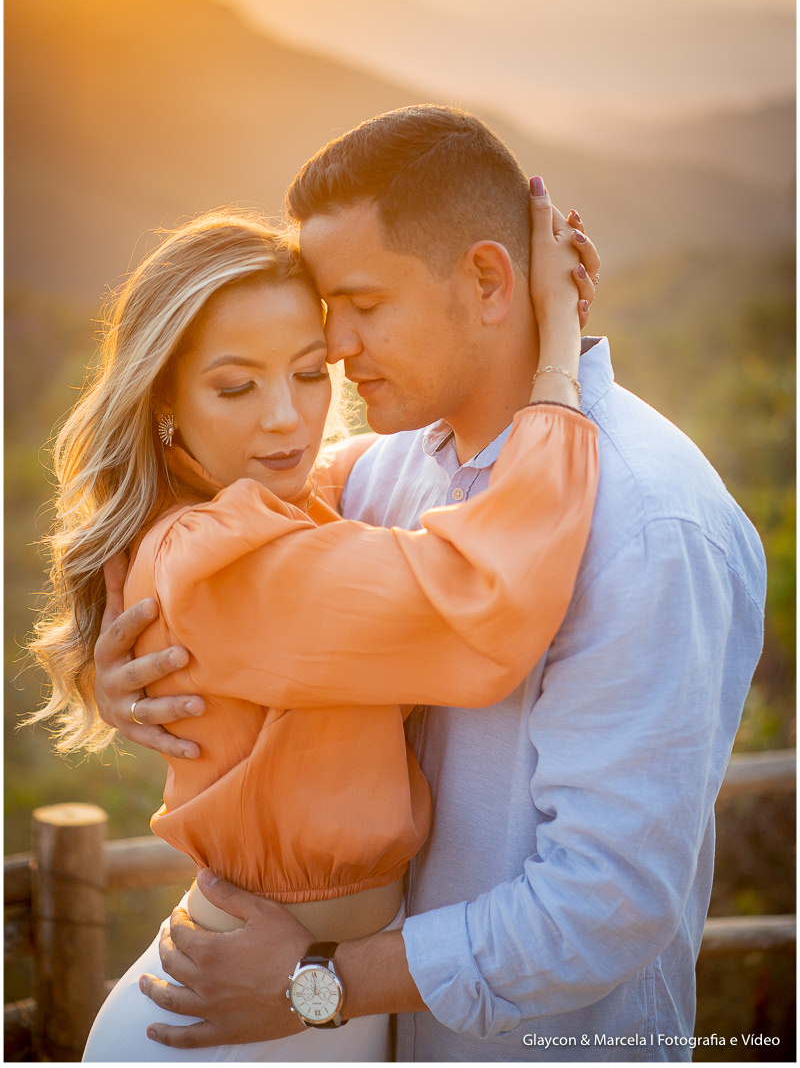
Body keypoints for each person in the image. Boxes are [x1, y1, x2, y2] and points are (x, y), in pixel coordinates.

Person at [93, 107, 766, 1062]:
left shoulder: (651, 524)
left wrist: (318, 981)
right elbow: (233, 553)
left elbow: (606, 904)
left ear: (491, 278)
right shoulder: (392, 468)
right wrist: (122, 675)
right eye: (328, 309)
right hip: (319, 1027)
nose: (334, 346)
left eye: (360, 304)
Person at [28, 188, 597, 1061]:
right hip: (229, 1028)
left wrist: (479, 323)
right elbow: (484, 601)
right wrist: (557, 356)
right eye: (235, 386)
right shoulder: (226, 560)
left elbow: (357, 462)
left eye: (307, 371)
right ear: (167, 401)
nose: (287, 418)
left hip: (307, 998)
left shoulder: (267, 508)